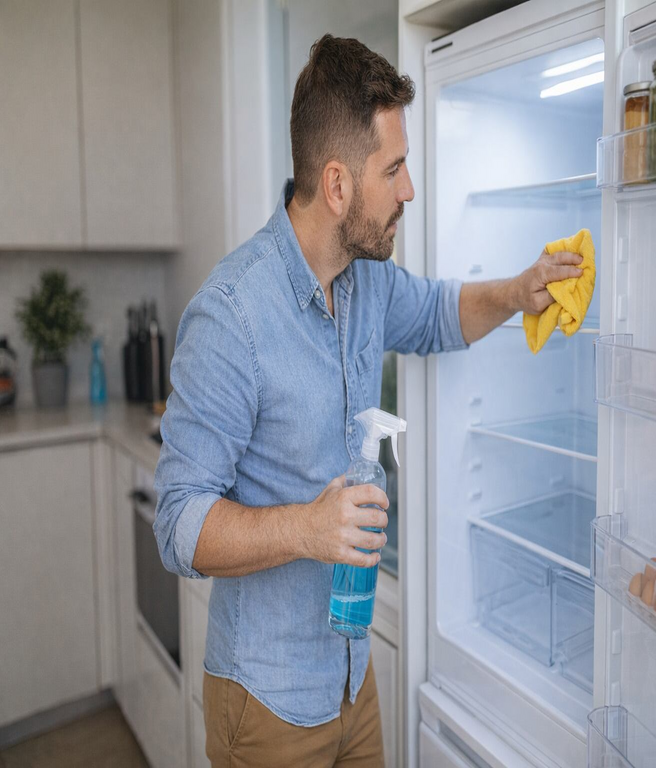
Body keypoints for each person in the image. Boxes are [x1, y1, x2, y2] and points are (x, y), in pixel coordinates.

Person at [153, 33, 582, 768]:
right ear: (337, 185)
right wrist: (308, 528)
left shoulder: (367, 279)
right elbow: (177, 524)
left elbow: (440, 314)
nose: (408, 189)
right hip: (267, 699)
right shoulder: (232, 316)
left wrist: (520, 290)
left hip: (353, 677)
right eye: (393, 169)